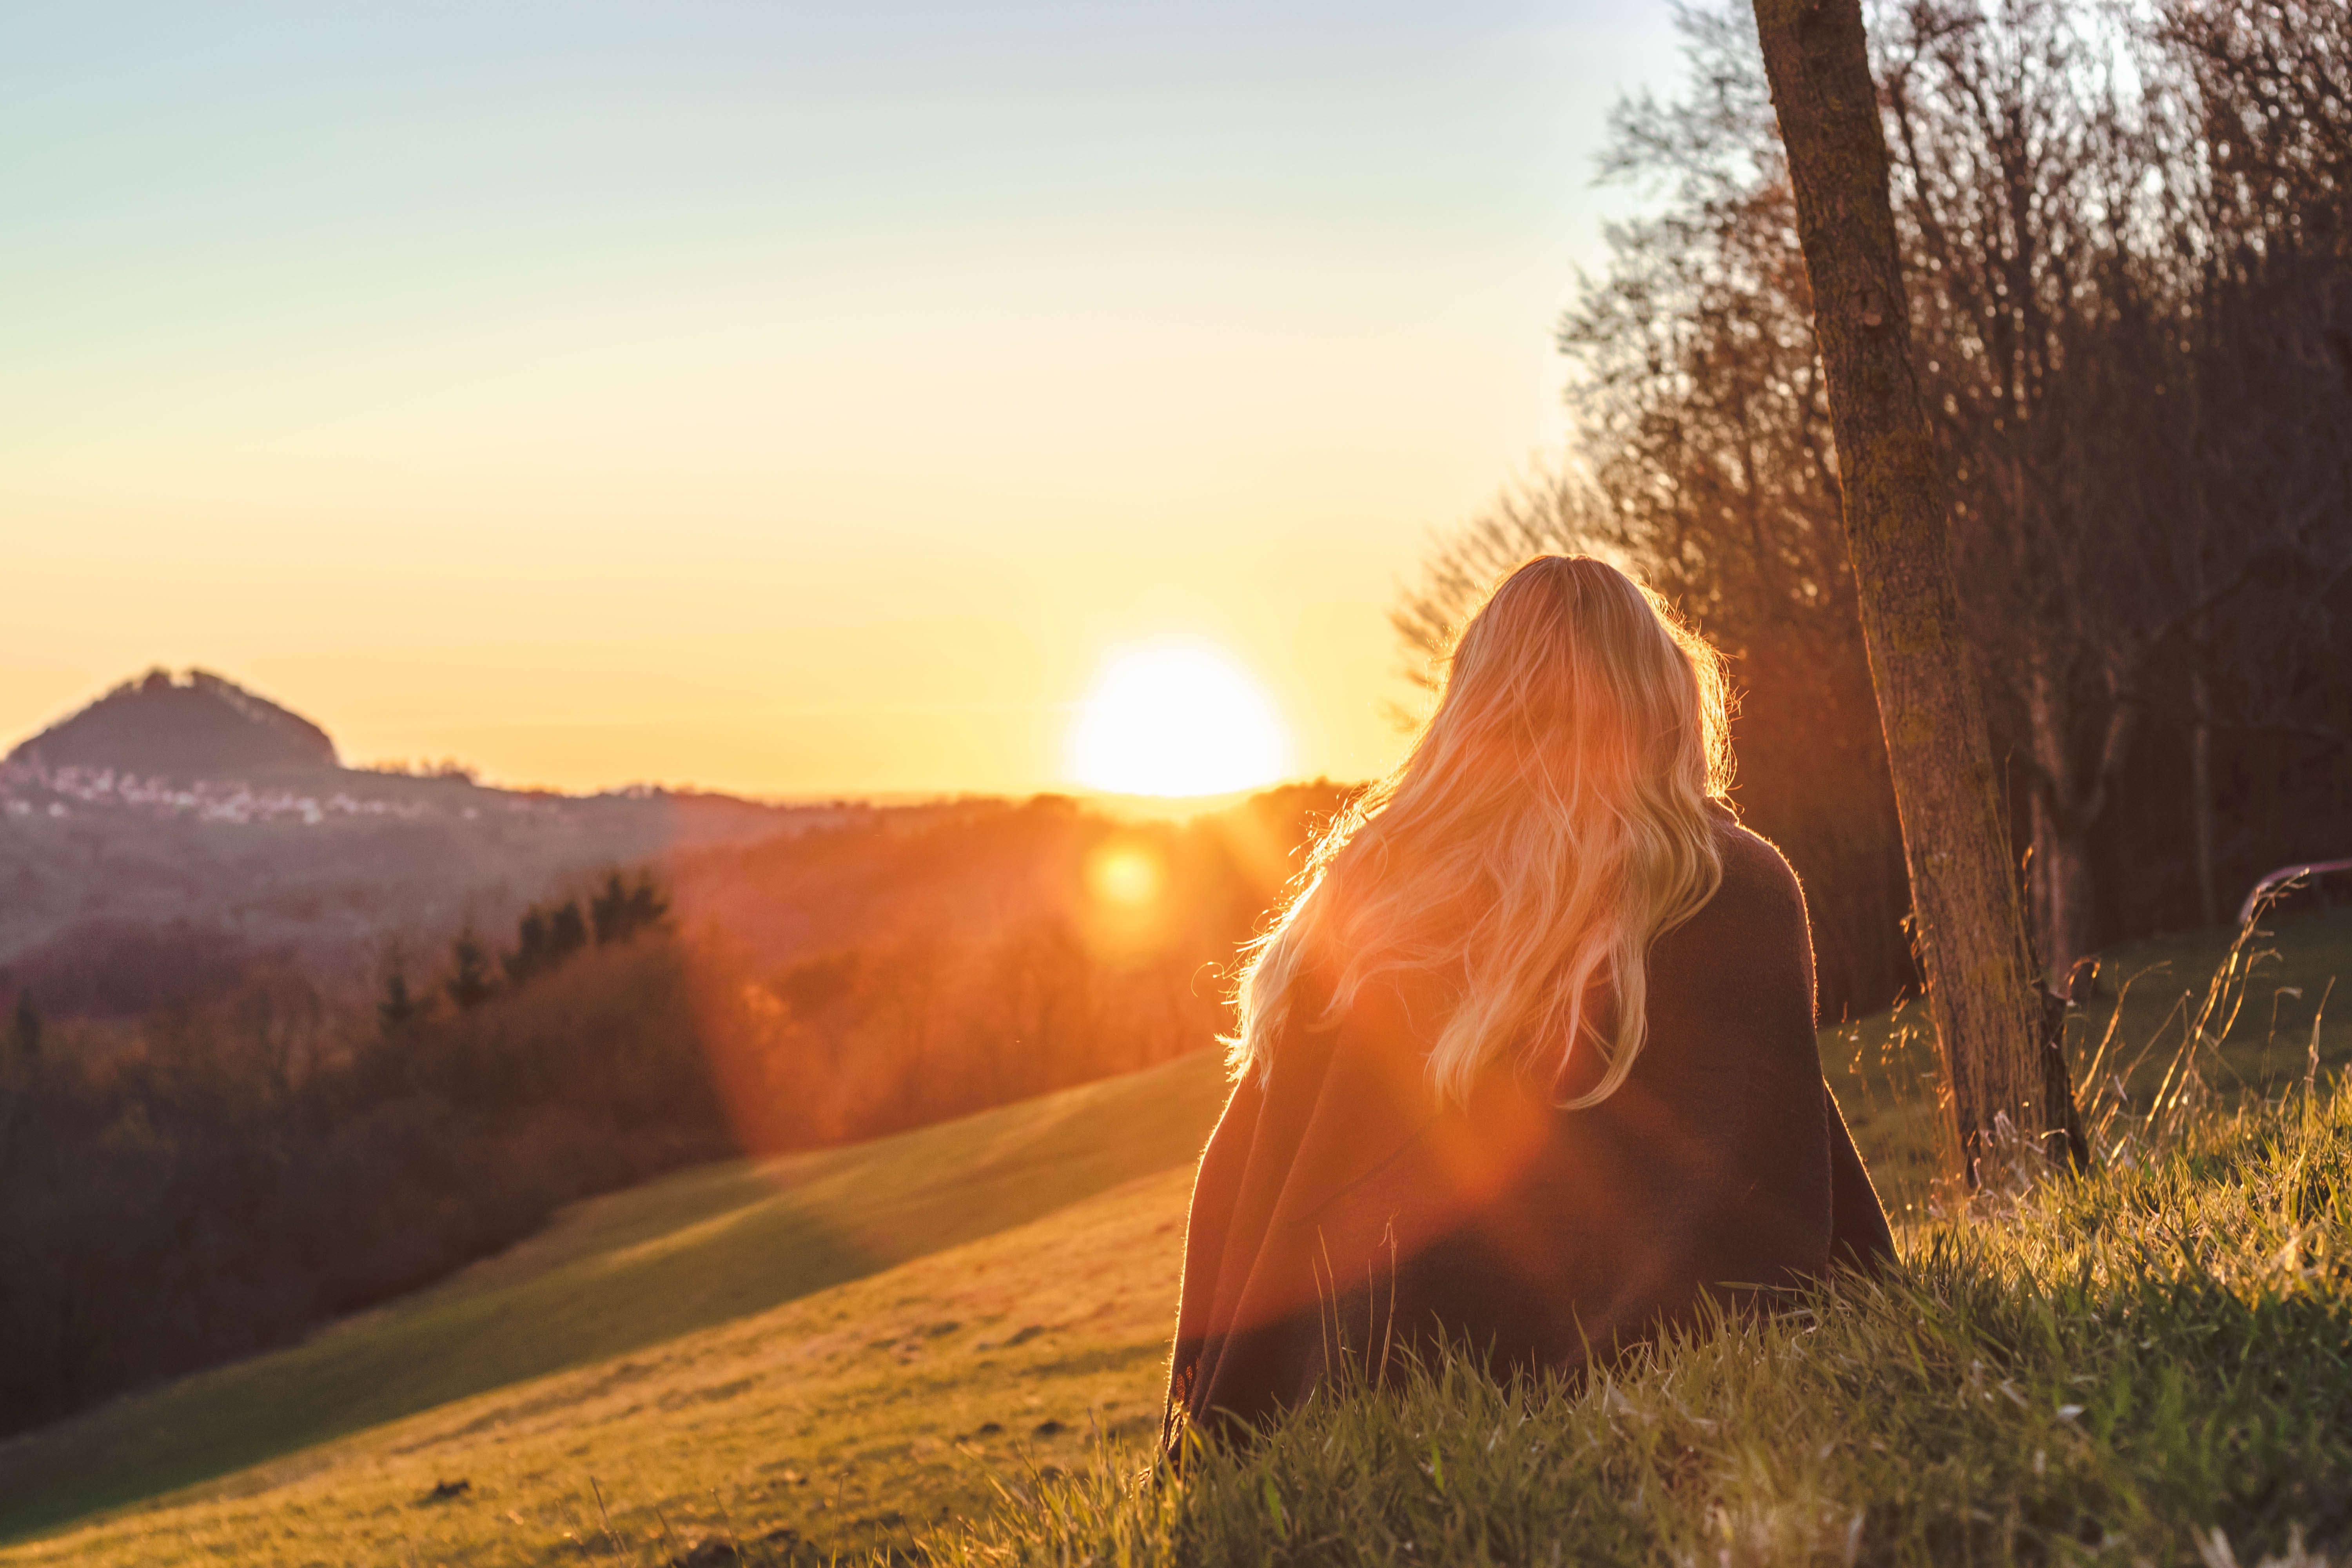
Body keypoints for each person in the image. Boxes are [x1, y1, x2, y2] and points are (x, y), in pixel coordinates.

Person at [1163, 555, 1894, 1444]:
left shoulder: (1362, 895)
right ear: (1661, 699)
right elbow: (1760, 1171)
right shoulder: (1724, 881)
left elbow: (1235, 1178)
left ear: (1469, 706)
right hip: (1568, 1389)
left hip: (1342, 1391)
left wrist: (1211, 1404)